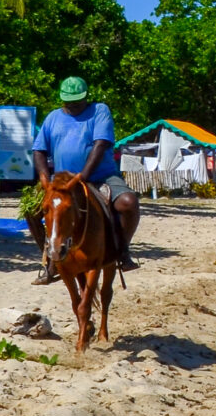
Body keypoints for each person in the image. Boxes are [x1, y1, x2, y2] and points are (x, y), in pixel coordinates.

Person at [26, 76, 139, 282]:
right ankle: (52, 260)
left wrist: (83, 177)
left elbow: (100, 145)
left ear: (86, 97)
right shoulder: (53, 118)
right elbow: (39, 150)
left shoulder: (99, 111)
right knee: (30, 211)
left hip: (99, 176)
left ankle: (122, 251)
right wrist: (45, 179)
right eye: (69, 101)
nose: (74, 105)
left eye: (78, 100)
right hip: (61, 182)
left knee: (128, 203)